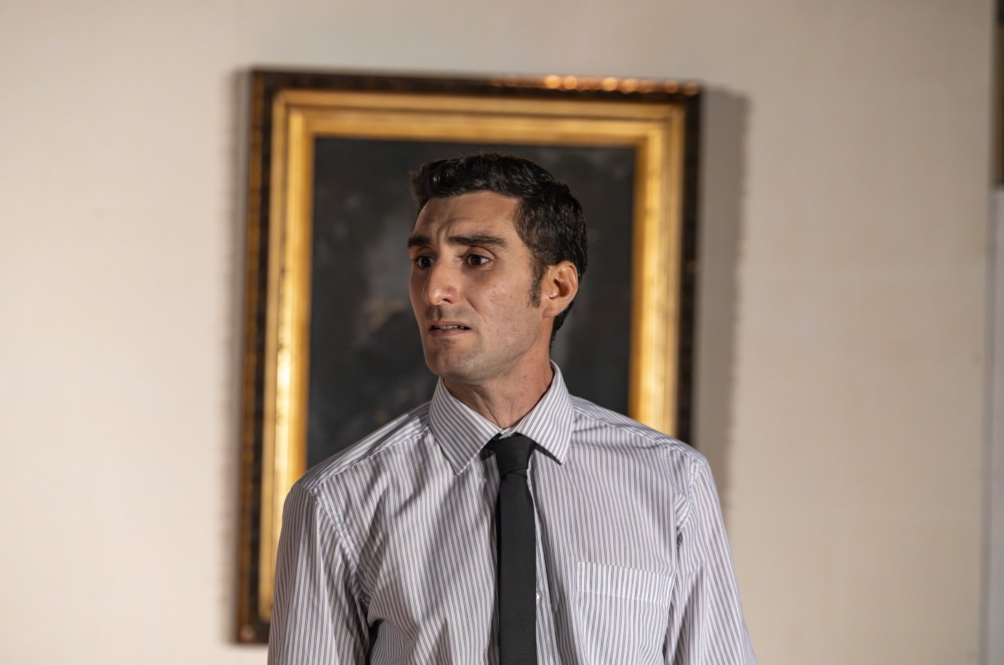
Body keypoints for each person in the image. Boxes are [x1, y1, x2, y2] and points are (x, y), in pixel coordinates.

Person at [268, 152, 755, 664]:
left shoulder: (672, 482)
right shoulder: (335, 501)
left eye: (475, 259)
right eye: (423, 260)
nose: (434, 290)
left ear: (556, 288)